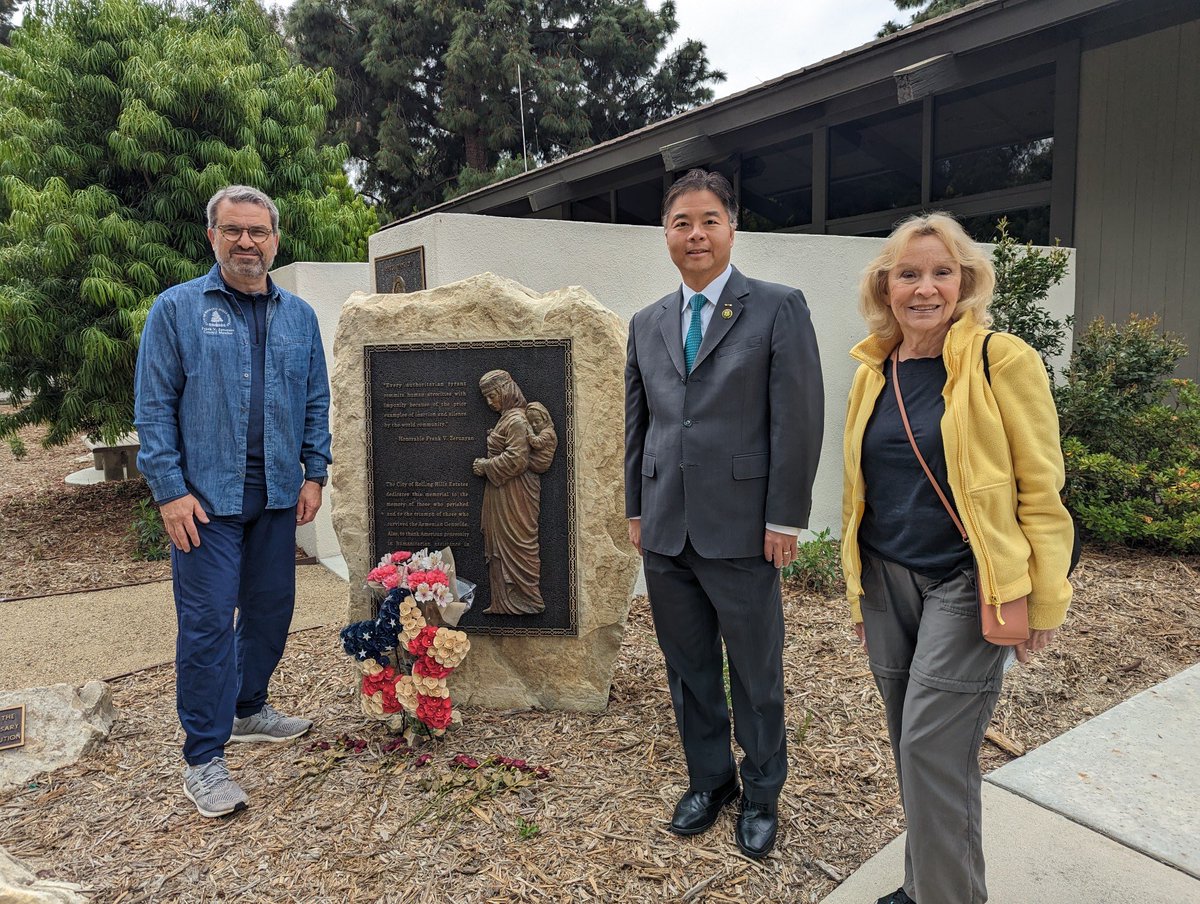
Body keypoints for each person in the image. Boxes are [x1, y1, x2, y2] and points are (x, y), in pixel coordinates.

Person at [841, 213, 1075, 904]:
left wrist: (1044, 597)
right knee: (913, 750)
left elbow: (1041, 486)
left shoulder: (1001, 358)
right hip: (886, 580)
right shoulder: (872, 369)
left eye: (942, 272)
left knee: (930, 750)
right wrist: (857, 594)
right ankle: (925, 885)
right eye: (909, 273)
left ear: (965, 282)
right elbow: (862, 494)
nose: (925, 288)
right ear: (885, 285)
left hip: (969, 583)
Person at [625, 169, 824, 859]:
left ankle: (763, 791)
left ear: (731, 227)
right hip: (666, 528)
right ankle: (710, 781)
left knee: (756, 671)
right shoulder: (647, 322)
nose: (696, 234)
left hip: (743, 527)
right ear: (667, 235)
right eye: (682, 222)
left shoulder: (776, 308)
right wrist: (635, 507)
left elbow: (796, 421)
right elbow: (639, 424)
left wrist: (785, 519)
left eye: (709, 220)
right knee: (688, 670)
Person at [134, 185, 331, 818]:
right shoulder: (176, 310)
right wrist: (169, 491)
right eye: (234, 231)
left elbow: (314, 401)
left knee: (272, 612)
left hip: (276, 495)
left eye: (259, 232)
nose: (247, 242)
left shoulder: (299, 317)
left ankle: (248, 708)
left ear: (275, 239)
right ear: (213, 236)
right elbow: (154, 408)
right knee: (209, 623)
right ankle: (204, 758)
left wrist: (314, 472)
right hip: (204, 503)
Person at [472, 370, 549, 615]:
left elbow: (517, 459)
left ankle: (526, 600)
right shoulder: (507, 418)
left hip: (515, 493)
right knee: (500, 544)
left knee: (516, 544)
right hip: (502, 491)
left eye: (493, 395)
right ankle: (503, 603)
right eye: (486, 397)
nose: (489, 402)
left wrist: (486, 466)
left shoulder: (516, 420)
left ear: (505, 392)